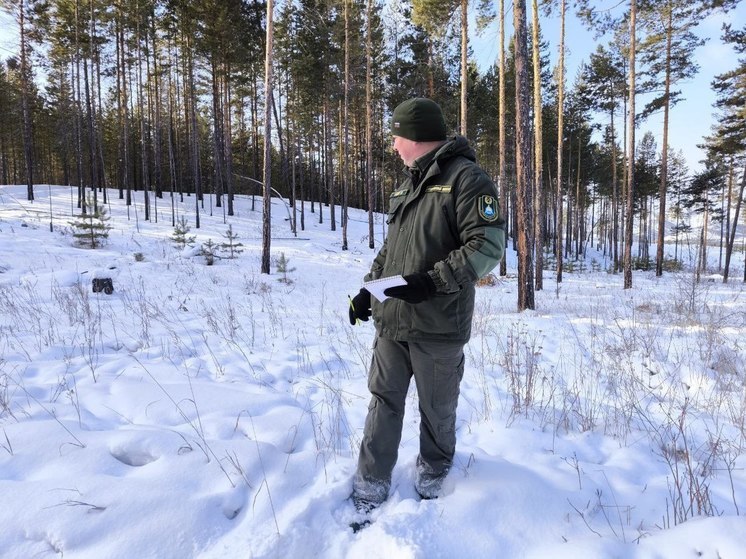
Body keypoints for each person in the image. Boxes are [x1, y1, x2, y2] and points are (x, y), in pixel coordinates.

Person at [348, 97, 506, 518]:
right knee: (383, 402)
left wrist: (432, 282)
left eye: (397, 137)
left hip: (438, 325)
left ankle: (435, 474)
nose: (394, 146)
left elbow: (487, 247)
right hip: (393, 325)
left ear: (415, 136)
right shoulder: (408, 184)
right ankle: (370, 480)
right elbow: (391, 251)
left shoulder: (467, 180)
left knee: (437, 409)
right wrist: (370, 291)